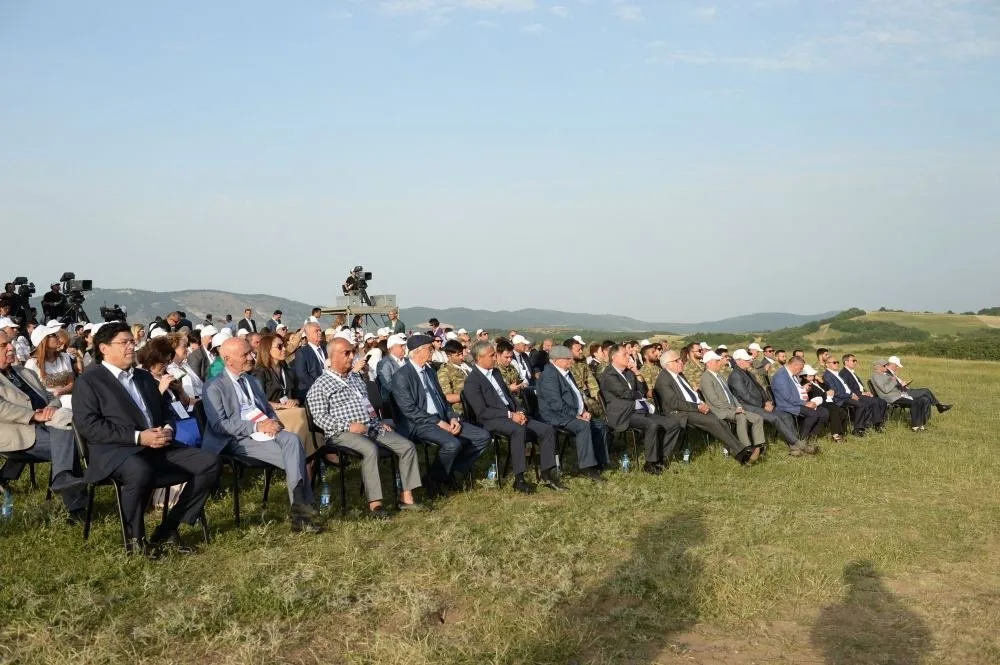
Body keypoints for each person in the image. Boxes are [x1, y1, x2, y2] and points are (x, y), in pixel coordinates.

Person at [72, 322, 220, 555]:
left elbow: (164, 411)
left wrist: (168, 429)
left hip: (156, 446)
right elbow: (90, 426)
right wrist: (139, 438)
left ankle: (168, 527)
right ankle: (135, 540)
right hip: (115, 451)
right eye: (124, 342)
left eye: (132, 341)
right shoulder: (89, 381)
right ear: (104, 348)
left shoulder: (143, 377)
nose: (132, 346)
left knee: (209, 463)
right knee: (139, 470)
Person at [201, 338, 321, 533]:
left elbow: (266, 408)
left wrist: (275, 422)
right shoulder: (214, 386)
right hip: (237, 439)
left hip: (266, 429)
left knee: (293, 440)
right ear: (228, 360)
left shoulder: (252, 381)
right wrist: (256, 426)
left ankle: (299, 508)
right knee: (295, 456)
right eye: (245, 355)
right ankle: (303, 510)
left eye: (251, 352)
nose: (252, 357)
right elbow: (219, 425)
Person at [306, 337, 423, 518]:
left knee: (407, 446)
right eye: (347, 353)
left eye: (353, 351)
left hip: (369, 427)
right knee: (370, 449)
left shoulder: (355, 378)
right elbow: (320, 418)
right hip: (341, 433)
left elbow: (367, 405)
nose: (352, 356)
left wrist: (378, 422)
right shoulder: (320, 385)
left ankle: (406, 497)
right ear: (332, 356)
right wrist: (348, 426)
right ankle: (375, 505)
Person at [390, 335, 490, 497]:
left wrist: (452, 417)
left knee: (482, 436)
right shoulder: (402, 376)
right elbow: (409, 411)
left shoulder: (429, 371)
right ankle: (434, 479)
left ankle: (450, 472)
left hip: (441, 418)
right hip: (418, 423)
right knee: (452, 444)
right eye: (430, 349)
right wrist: (438, 422)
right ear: (418, 352)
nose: (433, 352)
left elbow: (442, 400)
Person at [0, 331, 87, 518]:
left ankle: (65, 482)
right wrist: (34, 415)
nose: (11, 347)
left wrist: (49, 409)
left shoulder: (25, 372)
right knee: (70, 441)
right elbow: (2, 408)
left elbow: (51, 397)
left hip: (49, 422)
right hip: (19, 431)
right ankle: (76, 507)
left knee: (67, 430)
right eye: (3, 345)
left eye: (10, 343)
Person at [462, 341, 562, 493]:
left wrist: (520, 411)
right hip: (491, 420)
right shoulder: (472, 381)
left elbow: (509, 397)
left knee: (546, 429)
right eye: (492, 355)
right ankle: (519, 478)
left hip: (511, 414)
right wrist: (510, 415)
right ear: (479, 358)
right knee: (517, 430)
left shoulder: (495, 373)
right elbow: (481, 412)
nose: (495, 358)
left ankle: (547, 474)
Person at [655, 351, 761, 464]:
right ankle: (742, 453)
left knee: (721, 421)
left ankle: (738, 451)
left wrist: (701, 402)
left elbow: (690, 394)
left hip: (692, 408)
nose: (681, 362)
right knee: (713, 421)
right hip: (679, 412)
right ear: (668, 364)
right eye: (677, 360)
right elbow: (673, 403)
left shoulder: (679, 375)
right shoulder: (663, 379)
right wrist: (697, 407)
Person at [597, 344, 682, 474]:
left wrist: (637, 372)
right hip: (623, 414)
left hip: (639, 411)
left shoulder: (629, 373)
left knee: (673, 424)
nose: (628, 357)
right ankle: (650, 464)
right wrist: (639, 394)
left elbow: (643, 390)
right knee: (652, 424)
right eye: (625, 354)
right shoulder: (608, 375)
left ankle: (661, 459)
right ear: (614, 357)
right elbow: (625, 394)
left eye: (628, 354)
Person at [536, 345, 609, 480]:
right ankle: (587, 468)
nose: (571, 361)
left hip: (572, 412)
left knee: (600, 425)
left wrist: (584, 411)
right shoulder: (549, 376)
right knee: (583, 426)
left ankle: (600, 462)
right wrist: (576, 415)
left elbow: (577, 395)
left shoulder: (565, 373)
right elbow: (556, 404)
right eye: (567, 358)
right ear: (556, 360)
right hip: (556, 416)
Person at [728, 349, 815, 455]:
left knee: (785, 415)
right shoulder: (736, 376)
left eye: (749, 359)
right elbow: (745, 397)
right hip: (748, 407)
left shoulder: (746, 372)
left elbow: (760, 388)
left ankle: (794, 446)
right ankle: (798, 444)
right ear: (738, 361)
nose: (750, 362)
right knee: (775, 418)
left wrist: (767, 401)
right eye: (746, 360)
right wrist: (763, 405)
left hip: (760, 404)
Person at [698, 351, 767, 454]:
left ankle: (759, 447)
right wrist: (735, 409)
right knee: (741, 416)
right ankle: (746, 448)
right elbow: (714, 401)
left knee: (757, 418)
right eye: (717, 361)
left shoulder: (718, 375)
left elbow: (731, 394)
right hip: (720, 410)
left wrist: (738, 406)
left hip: (731, 408)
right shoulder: (706, 378)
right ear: (709, 363)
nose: (719, 363)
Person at [771, 355, 829, 445]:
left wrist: (803, 389)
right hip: (787, 405)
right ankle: (802, 439)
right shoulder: (781, 376)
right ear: (795, 365)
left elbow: (793, 390)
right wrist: (805, 403)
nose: (801, 371)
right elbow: (787, 397)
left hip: (795, 402)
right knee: (813, 414)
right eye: (801, 368)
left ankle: (812, 435)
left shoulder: (791, 374)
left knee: (824, 412)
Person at [823, 356, 883, 436]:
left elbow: (846, 387)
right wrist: (850, 395)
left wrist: (852, 393)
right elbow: (835, 392)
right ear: (827, 365)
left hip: (847, 395)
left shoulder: (836, 374)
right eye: (834, 362)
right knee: (861, 405)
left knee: (868, 403)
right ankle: (858, 429)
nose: (837, 364)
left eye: (837, 362)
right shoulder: (827, 375)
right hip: (840, 398)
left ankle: (865, 426)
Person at [870, 358, 932, 432]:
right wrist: (893, 381)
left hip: (897, 395)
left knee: (921, 399)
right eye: (884, 366)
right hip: (890, 397)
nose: (886, 367)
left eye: (887, 365)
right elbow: (885, 390)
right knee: (915, 402)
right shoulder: (876, 376)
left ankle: (921, 424)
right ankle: (916, 426)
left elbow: (890, 386)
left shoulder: (884, 375)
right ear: (878, 367)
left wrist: (900, 384)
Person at [23, 323, 75, 409]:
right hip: (48, 404)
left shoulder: (64, 357)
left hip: (66, 397)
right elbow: (31, 391)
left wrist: (60, 392)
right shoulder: (32, 363)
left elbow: (71, 383)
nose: (58, 337)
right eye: (53, 335)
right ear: (44, 340)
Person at [885, 356, 952, 415]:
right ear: (893, 364)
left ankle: (927, 417)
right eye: (896, 366)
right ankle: (939, 407)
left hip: (904, 390)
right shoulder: (887, 374)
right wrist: (901, 385)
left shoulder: (891, 373)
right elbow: (889, 387)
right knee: (926, 391)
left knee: (926, 398)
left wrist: (903, 383)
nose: (897, 368)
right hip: (902, 393)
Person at [838, 354, 888, 430]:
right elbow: (847, 389)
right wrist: (862, 393)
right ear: (846, 362)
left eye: (856, 361)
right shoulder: (843, 373)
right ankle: (876, 425)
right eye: (853, 361)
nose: (855, 362)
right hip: (855, 396)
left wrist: (866, 392)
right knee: (875, 402)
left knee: (882, 402)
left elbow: (858, 386)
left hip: (861, 393)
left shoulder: (852, 372)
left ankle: (878, 422)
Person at [800, 364, 849, 443]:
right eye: (810, 375)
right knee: (834, 412)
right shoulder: (807, 385)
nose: (812, 377)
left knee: (842, 411)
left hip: (827, 401)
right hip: (820, 403)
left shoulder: (815, 382)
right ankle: (835, 435)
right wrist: (826, 393)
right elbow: (815, 396)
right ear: (804, 376)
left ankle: (842, 432)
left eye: (813, 375)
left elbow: (826, 388)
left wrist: (821, 382)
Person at [434, 339, 471, 417]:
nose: (461, 357)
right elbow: (446, 397)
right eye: (458, 355)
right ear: (448, 356)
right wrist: (467, 396)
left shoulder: (466, 366)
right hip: (461, 412)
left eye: (461, 354)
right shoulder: (444, 372)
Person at [292, 322, 327, 402]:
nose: (319, 333)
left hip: (328, 388)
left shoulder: (326, 349)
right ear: (308, 335)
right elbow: (302, 375)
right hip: (311, 391)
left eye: (320, 330)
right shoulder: (302, 352)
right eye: (316, 331)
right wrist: (318, 387)